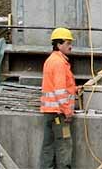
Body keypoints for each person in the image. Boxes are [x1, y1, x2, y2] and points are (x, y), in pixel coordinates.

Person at [39, 27, 77, 169]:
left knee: (48, 147)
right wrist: (67, 112)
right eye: (68, 43)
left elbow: (56, 86)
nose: (70, 46)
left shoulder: (51, 60)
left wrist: (74, 89)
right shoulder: (60, 63)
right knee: (64, 146)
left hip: (50, 112)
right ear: (59, 44)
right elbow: (60, 91)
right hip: (59, 114)